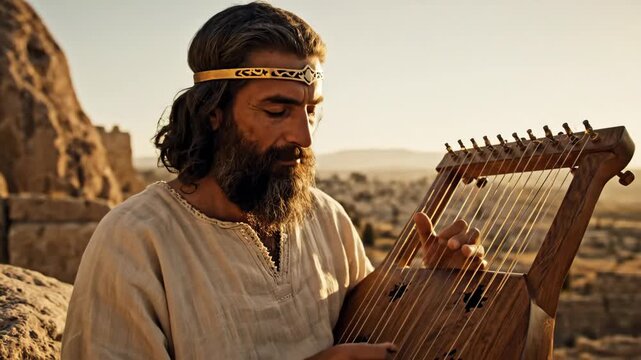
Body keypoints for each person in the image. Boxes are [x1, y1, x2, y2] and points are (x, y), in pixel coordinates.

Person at [61, 2, 485, 359]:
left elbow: (369, 330)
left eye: (311, 111)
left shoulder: (325, 218)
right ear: (214, 112)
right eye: (276, 110)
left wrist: (432, 285)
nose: (302, 136)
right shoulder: (135, 240)